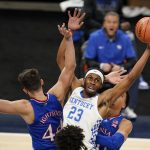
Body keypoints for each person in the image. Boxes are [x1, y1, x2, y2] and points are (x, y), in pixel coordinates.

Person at [56, 9, 150, 149]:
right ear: (84, 80)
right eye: (90, 78)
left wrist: (148, 50)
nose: (93, 81)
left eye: (97, 80)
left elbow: (130, 78)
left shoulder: (101, 101)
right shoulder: (75, 88)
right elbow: (61, 61)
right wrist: (68, 35)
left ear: (101, 85)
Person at [0, 24, 76, 149]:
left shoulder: (26, 107)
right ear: (41, 82)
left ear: (25, 90)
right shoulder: (57, 96)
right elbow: (70, 67)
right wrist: (68, 38)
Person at [84, 11, 138, 120]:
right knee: (89, 70)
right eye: (109, 22)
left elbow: (133, 59)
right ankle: (88, 102)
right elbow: (88, 59)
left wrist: (122, 67)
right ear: (104, 24)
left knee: (134, 75)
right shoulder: (94, 37)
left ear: (118, 24)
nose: (111, 25)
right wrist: (102, 65)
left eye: (114, 22)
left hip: (119, 71)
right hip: (100, 71)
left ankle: (126, 106)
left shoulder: (125, 38)